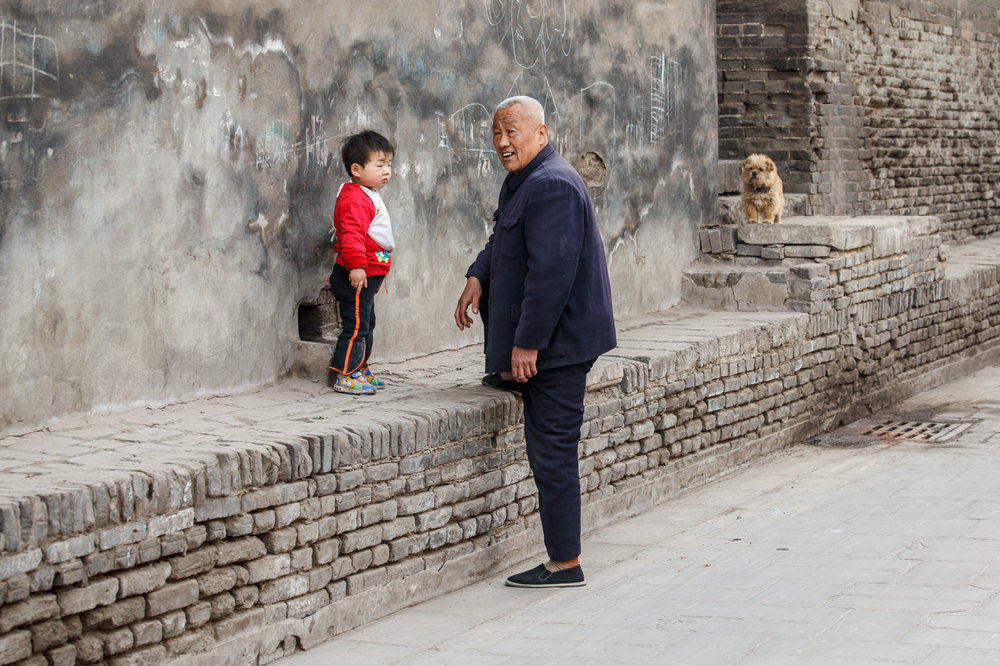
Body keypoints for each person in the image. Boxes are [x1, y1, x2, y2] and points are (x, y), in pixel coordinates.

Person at [454, 96, 617, 587]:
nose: (503, 142)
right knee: (549, 445)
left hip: (558, 347)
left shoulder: (551, 185)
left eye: (512, 132)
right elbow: (502, 240)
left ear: (541, 134)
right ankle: (563, 556)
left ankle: (565, 562)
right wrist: (478, 275)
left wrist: (527, 345)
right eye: (496, 134)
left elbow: (552, 275)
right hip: (549, 343)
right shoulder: (524, 180)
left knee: (552, 450)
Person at [327, 130, 396, 395]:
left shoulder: (368, 193)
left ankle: (360, 368)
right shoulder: (355, 197)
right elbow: (352, 234)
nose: (386, 171)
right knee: (355, 325)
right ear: (356, 169)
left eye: (388, 165)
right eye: (379, 165)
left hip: (368, 276)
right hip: (356, 274)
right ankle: (345, 374)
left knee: (366, 323)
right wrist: (356, 267)